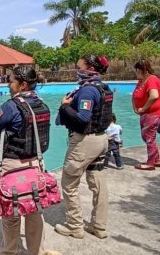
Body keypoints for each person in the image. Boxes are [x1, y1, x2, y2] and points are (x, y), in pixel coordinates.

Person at [0, 66, 51, 255]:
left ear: (23, 84)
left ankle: (9, 252)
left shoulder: (12, 105)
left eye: (11, 81)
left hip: (13, 165)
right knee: (34, 210)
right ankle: (37, 250)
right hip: (35, 163)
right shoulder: (42, 104)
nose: (8, 84)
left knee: (11, 213)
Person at [55, 54, 112, 239]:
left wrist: (65, 107)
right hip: (102, 139)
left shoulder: (87, 91)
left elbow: (83, 119)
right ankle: (99, 227)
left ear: (89, 68)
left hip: (85, 142)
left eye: (79, 66)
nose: (76, 69)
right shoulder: (104, 87)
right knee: (98, 184)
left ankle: (75, 226)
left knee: (69, 183)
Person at [132, 59, 160, 171]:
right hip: (145, 114)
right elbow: (135, 95)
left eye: (136, 70)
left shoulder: (152, 80)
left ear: (140, 70)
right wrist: (135, 107)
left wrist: (144, 108)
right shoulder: (141, 80)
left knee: (149, 137)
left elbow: (154, 96)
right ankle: (157, 160)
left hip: (153, 114)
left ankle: (151, 163)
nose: (136, 73)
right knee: (147, 137)